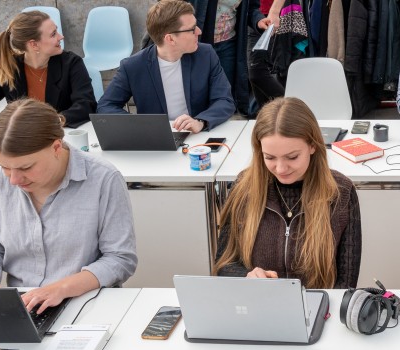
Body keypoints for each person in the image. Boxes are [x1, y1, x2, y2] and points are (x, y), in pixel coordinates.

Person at [0, 99, 138, 313]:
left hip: (87, 303)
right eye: (5, 167)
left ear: (56, 147)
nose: (13, 180)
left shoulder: (104, 178)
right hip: (23, 306)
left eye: (26, 167)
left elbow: (120, 258)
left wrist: (61, 289)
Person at [212, 97, 361, 289]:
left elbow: (346, 284)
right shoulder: (244, 187)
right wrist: (247, 276)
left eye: (292, 157)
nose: (281, 168)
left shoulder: (341, 192)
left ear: (313, 145)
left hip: (318, 311)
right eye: (270, 157)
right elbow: (223, 265)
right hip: (259, 306)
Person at [98, 0, 235, 133]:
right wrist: (139, 127)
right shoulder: (133, 66)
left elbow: (225, 100)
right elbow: (106, 106)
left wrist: (200, 122)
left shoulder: (206, 55)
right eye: (192, 29)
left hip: (197, 136)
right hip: (155, 141)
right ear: (170, 39)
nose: (199, 31)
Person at [0, 10, 97, 127]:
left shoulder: (72, 63)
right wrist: (7, 122)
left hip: (61, 136)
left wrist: (57, 120)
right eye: (53, 34)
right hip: (21, 140)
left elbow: (86, 104)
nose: (60, 37)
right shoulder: (8, 66)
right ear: (34, 45)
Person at [191, 0, 261, 117]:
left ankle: (221, 125)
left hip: (228, 45)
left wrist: (258, 20)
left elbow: (251, 9)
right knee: (198, 91)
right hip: (198, 43)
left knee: (225, 93)